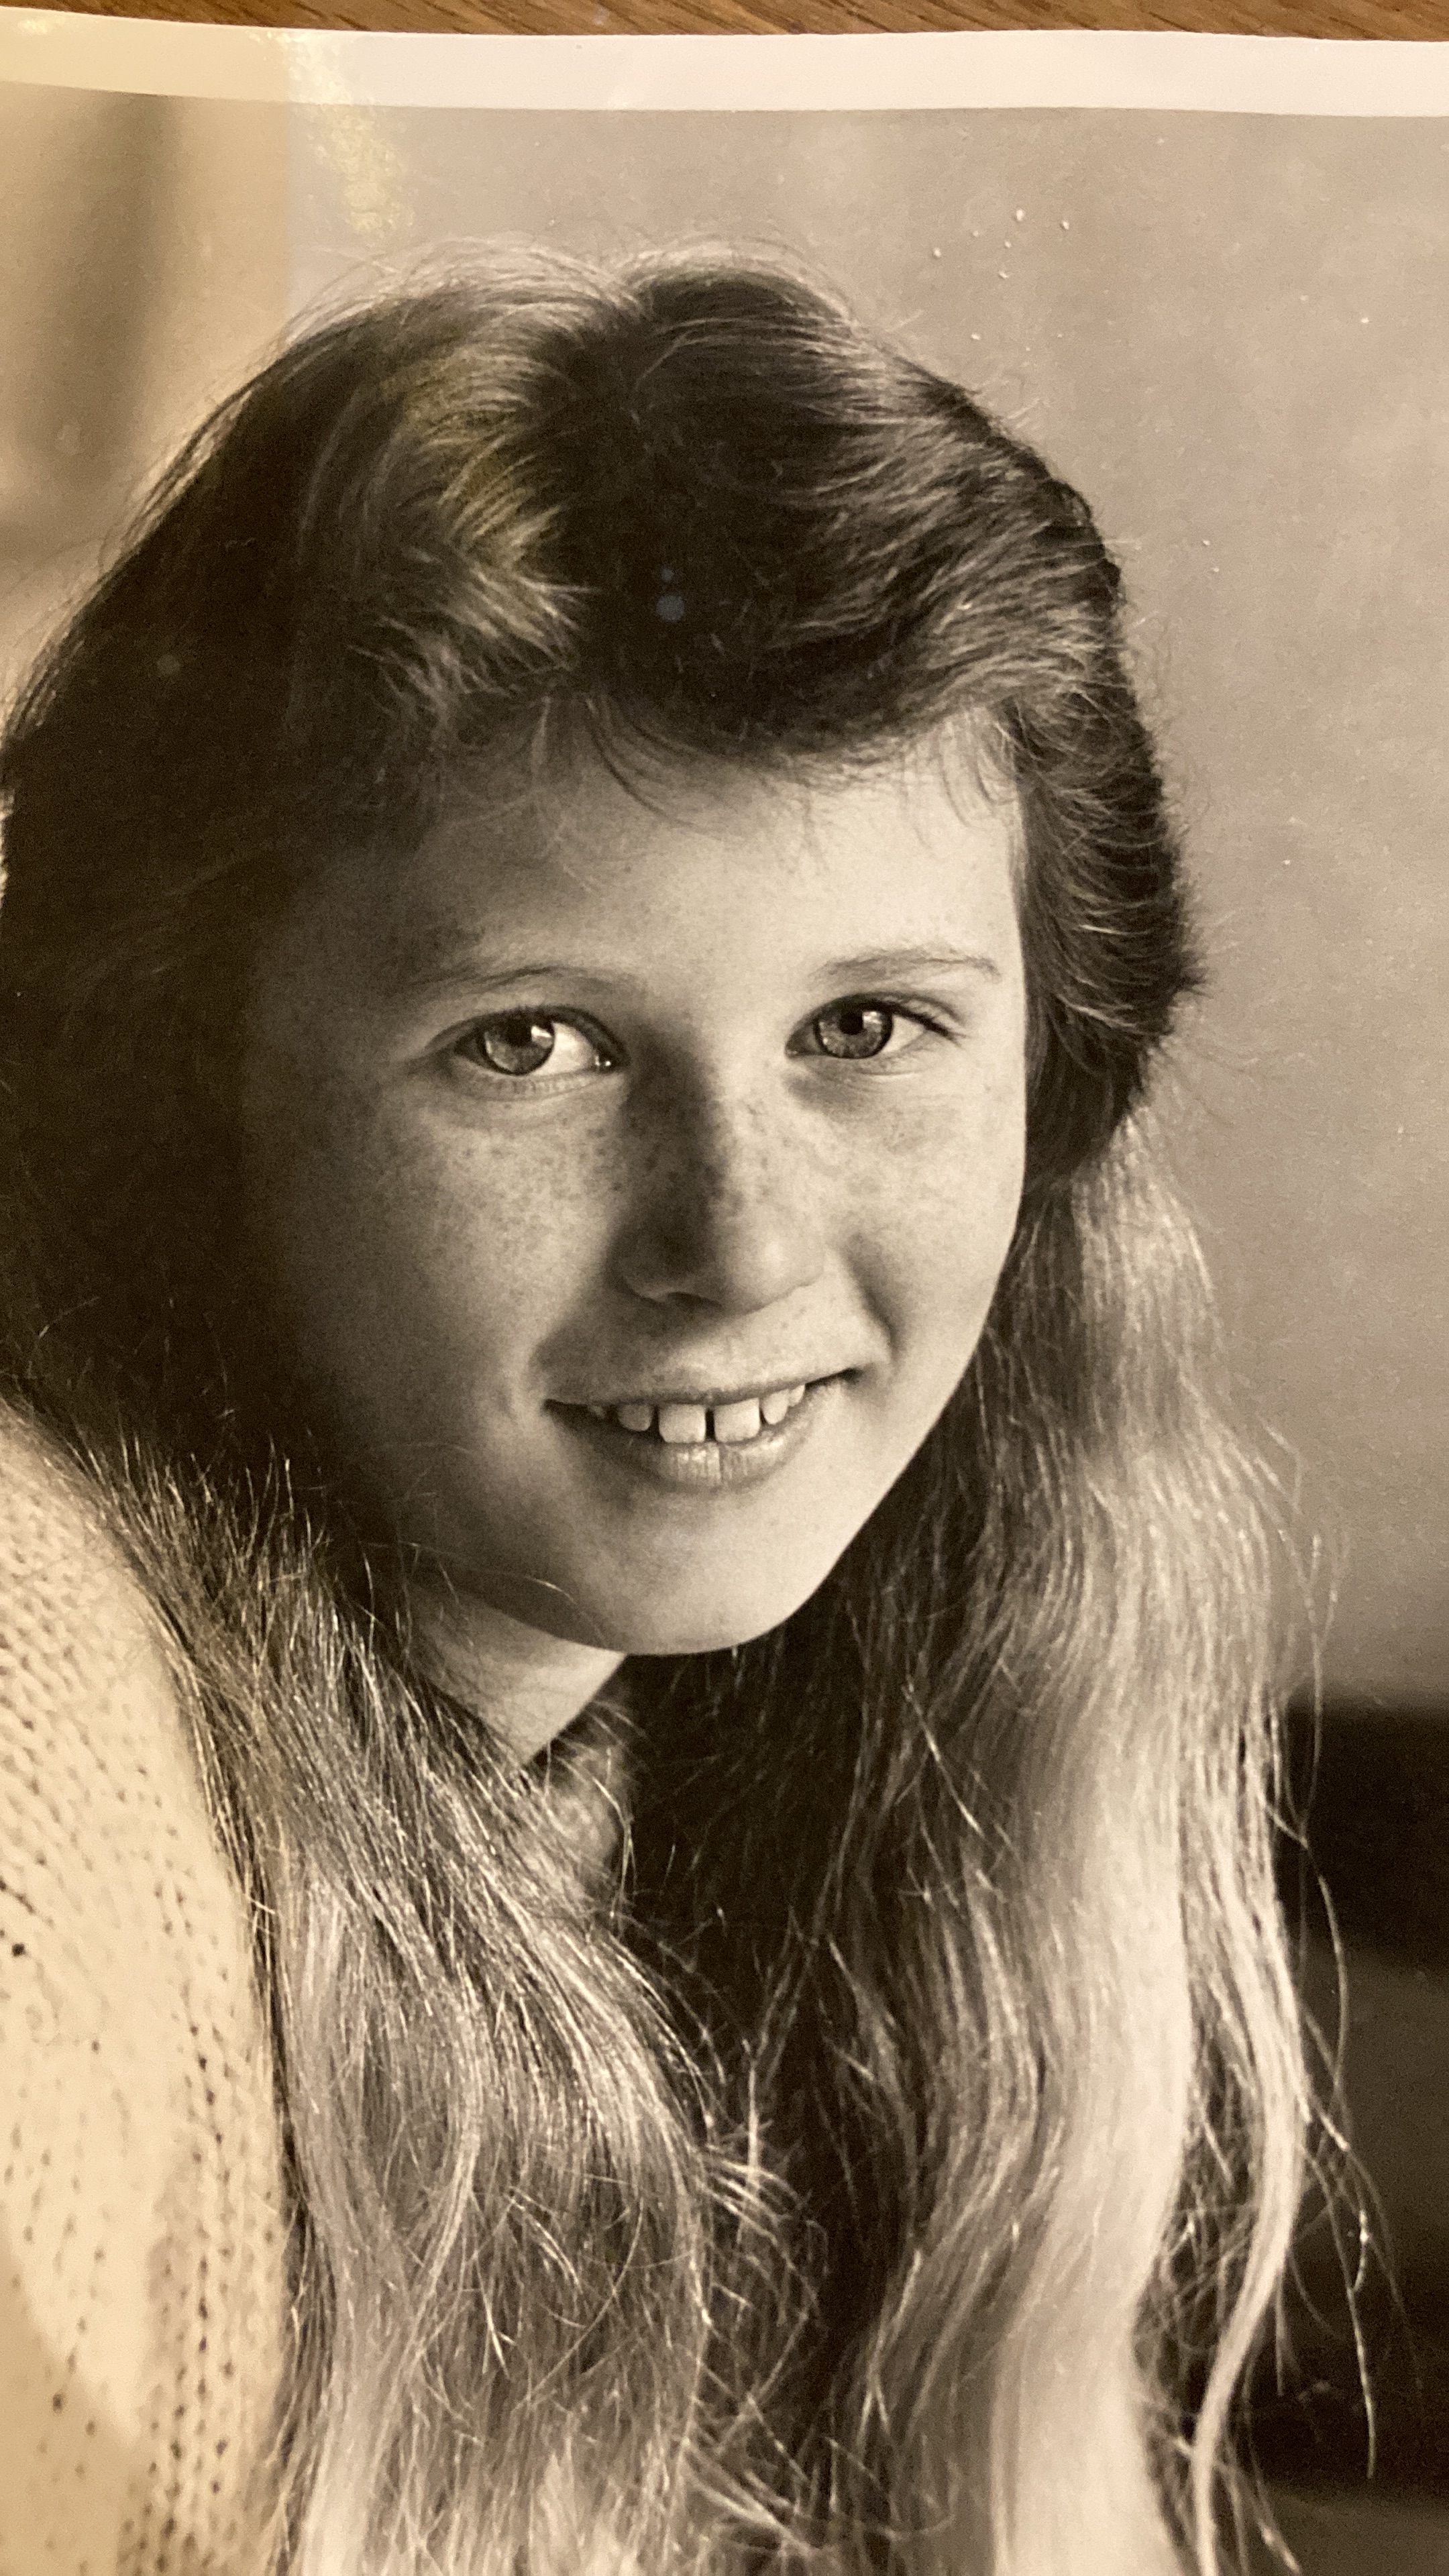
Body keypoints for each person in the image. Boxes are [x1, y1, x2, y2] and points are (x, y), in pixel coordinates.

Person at [0, 248, 1307, 2576]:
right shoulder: (36, 1742)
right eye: (534, 1044)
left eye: (869, 1030)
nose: (740, 1248)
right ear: (183, 1069)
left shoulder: (801, 1704)